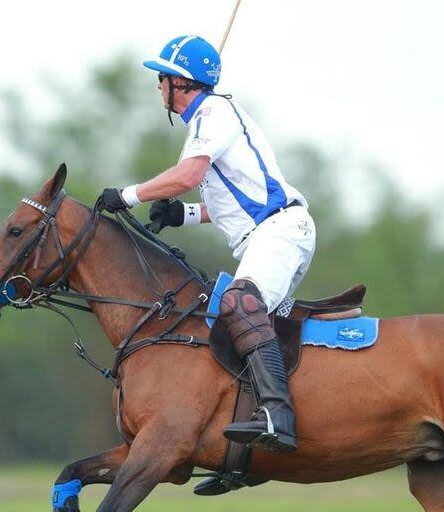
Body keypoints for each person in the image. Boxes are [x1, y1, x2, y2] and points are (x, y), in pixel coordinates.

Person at [101, 35, 315, 453]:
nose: (157, 86)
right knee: (225, 326)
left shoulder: (215, 112)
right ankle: (239, 457)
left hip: (281, 232)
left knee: (238, 305)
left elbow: (186, 176)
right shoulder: (205, 122)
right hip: (266, 232)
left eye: (162, 78)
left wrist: (128, 194)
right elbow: (234, 202)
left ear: (180, 83)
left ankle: (277, 415)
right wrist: (184, 214)